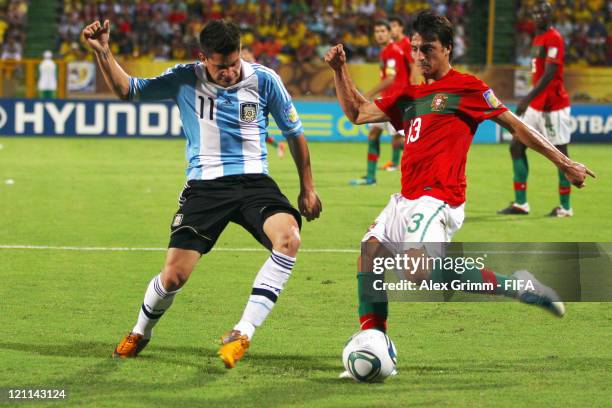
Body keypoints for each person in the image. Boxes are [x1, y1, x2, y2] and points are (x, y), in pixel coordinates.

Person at [325, 11, 594, 365]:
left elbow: (517, 127)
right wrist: (339, 70)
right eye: (416, 49)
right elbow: (358, 113)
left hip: (439, 198)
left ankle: (516, 283)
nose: (421, 57)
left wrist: (565, 162)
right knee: (370, 253)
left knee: (416, 271)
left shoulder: (469, 88)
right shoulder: (410, 96)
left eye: (429, 49)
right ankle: (374, 338)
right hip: (406, 198)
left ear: (448, 49)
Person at [83, 19, 322, 368]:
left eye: (234, 63)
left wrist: (308, 188)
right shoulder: (184, 77)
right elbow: (128, 90)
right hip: (204, 187)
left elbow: (294, 133)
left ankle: (241, 333)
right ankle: (140, 330)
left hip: (254, 182)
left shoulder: (265, 79)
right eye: (220, 66)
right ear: (203, 57)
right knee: (174, 276)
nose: (228, 72)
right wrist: (104, 53)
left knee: (289, 239)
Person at [498, 1, 574, 217]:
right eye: (535, 13)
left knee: (561, 155)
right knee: (516, 147)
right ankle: (521, 204)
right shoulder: (538, 38)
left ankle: (566, 207)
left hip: (553, 107)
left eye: (543, 12)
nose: (539, 16)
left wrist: (526, 97)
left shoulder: (554, 38)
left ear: (551, 15)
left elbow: (550, 73)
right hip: (536, 106)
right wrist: (531, 100)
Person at [350, 20, 409, 185]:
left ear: (390, 33)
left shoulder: (393, 51)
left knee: (399, 142)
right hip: (387, 99)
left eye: (383, 30)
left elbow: (391, 79)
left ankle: (429, 163)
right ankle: (370, 177)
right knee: (374, 133)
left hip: (396, 101)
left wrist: (367, 94)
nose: (380, 34)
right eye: (377, 31)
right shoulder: (385, 51)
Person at [240, 44, 286, 158]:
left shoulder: (259, 69)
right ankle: (279, 145)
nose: (242, 55)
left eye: (245, 53)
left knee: (253, 130)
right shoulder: (242, 68)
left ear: (251, 54)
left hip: (257, 104)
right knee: (256, 131)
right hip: (245, 103)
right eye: (241, 53)